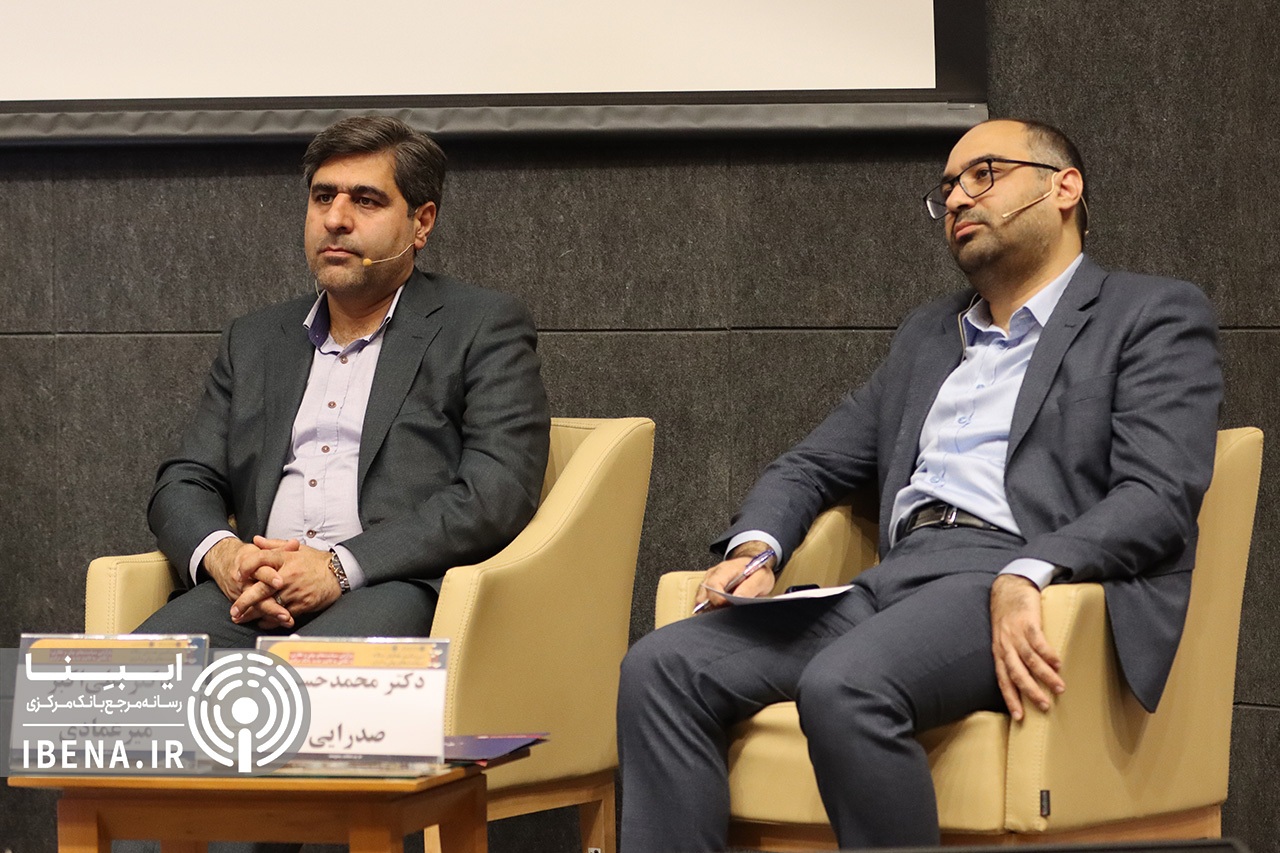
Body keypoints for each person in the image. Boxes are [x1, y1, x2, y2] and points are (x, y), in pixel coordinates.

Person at [617, 118, 1222, 851]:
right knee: (661, 666)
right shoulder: (929, 336)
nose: (958, 198)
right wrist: (757, 549)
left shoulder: (1149, 314)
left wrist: (1029, 570)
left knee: (845, 685)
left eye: (984, 174)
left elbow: (1158, 495)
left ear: (1064, 188)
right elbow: (812, 462)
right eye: (948, 188)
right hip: (892, 581)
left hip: (1006, 575)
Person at [137, 115, 550, 648]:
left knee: (297, 686)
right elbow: (185, 481)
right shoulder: (256, 339)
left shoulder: (480, 326)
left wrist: (338, 566)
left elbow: (496, 491)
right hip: (253, 591)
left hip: (389, 584)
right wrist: (227, 556)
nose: (335, 219)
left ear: (421, 222)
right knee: (114, 686)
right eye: (323, 197)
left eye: (366, 200)